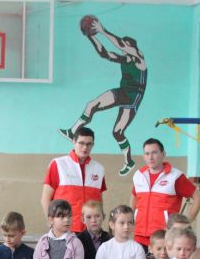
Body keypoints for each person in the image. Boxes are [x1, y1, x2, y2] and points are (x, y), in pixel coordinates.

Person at [60, 17, 147, 176]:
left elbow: (120, 44)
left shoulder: (139, 58)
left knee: (117, 132)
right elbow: (104, 53)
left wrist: (102, 31)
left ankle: (128, 161)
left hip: (133, 97)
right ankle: (72, 131)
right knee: (93, 105)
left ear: (132, 48)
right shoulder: (124, 59)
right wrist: (91, 37)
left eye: (126, 46)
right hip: (122, 92)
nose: (123, 48)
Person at [130, 139, 200, 247]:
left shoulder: (175, 176)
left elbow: (198, 198)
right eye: (147, 153)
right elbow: (134, 196)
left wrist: (186, 223)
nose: (150, 157)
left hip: (164, 237)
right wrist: (131, 218)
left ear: (163, 154)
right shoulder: (139, 175)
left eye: (154, 153)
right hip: (139, 236)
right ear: (144, 156)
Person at [41, 128, 106, 233]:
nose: (85, 147)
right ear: (74, 142)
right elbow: (45, 199)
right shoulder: (58, 164)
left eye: (89, 144)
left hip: (90, 231)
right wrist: (52, 223)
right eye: (81, 143)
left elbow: (99, 202)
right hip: (65, 229)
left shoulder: (99, 169)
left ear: (93, 145)